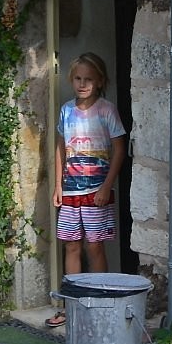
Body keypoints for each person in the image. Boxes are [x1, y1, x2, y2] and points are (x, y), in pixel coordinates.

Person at [47, 52, 126, 328]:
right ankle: (72, 305)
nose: (82, 84)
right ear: (72, 80)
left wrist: (107, 186)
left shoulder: (106, 110)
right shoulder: (66, 110)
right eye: (78, 78)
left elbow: (119, 149)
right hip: (70, 191)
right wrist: (58, 185)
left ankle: (99, 302)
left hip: (97, 192)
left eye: (89, 79)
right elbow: (60, 147)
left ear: (100, 81)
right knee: (71, 245)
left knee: (94, 246)